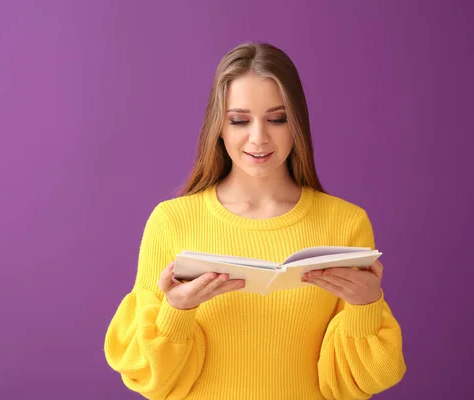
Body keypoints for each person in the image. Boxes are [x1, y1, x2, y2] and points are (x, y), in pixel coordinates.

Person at [103, 42, 406, 400]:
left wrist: (366, 308)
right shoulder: (172, 221)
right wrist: (176, 312)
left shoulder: (345, 222)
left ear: (297, 124)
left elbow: (356, 383)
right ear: (219, 126)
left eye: (277, 119)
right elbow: (149, 378)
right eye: (240, 120)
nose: (259, 138)